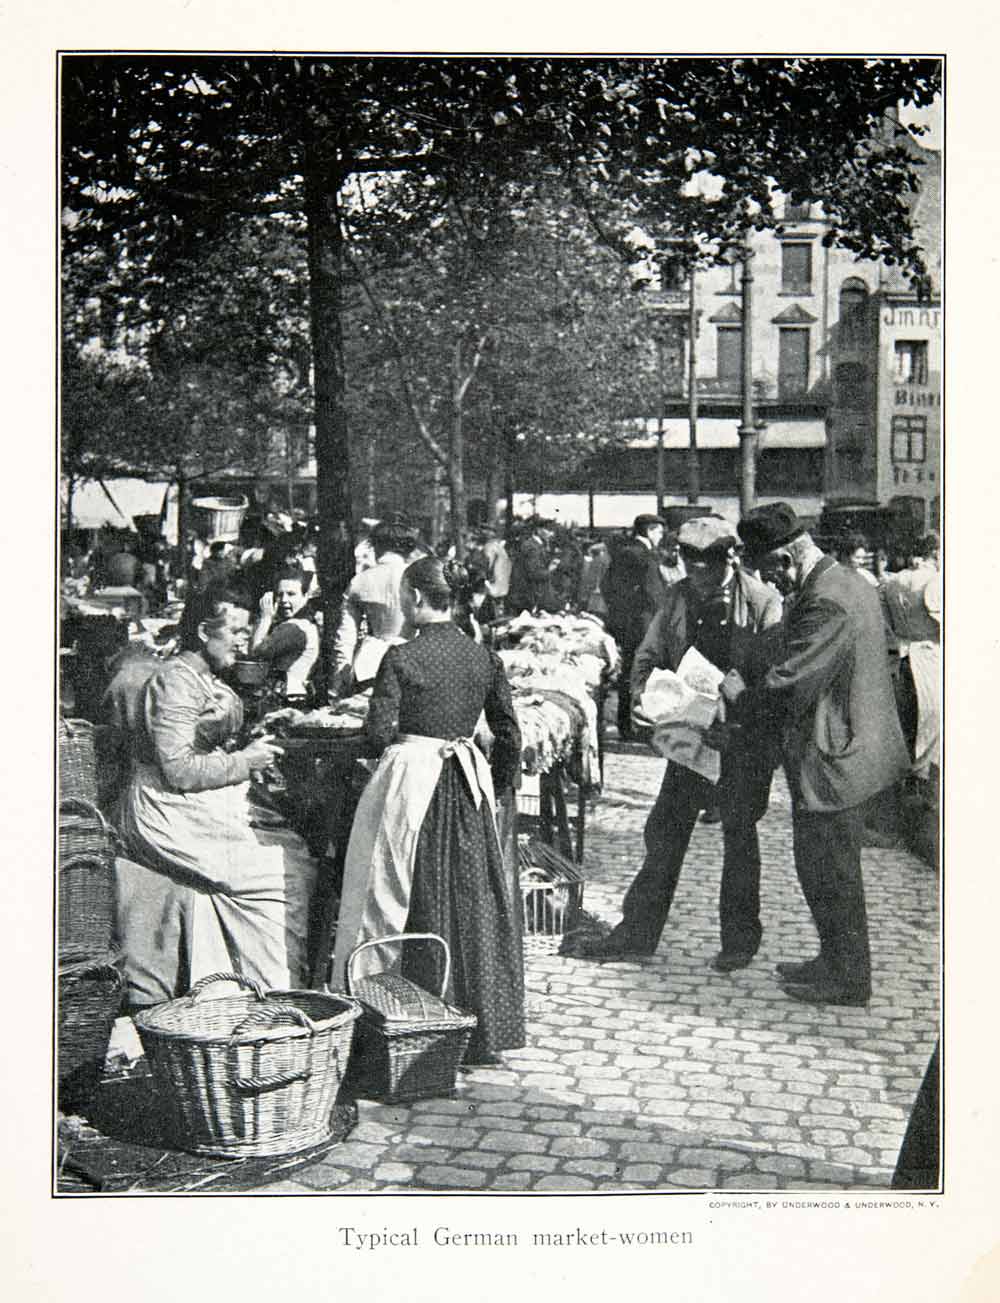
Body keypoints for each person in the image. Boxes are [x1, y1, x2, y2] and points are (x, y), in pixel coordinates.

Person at [331, 556, 524, 1064]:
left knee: (396, 892)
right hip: (464, 784)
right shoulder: (483, 657)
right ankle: (479, 1026)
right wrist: (497, 788)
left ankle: (401, 1021)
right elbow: (509, 733)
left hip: (412, 780)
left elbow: (376, 733)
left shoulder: (401, 658)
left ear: (415, 598)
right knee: (469, 896)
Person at [580, 517, 782, 968]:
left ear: (729, 557)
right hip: (689, 740)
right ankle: (636, 935)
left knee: (740, 841)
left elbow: (773, 679)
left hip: (741, 744)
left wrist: (738, 714)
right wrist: (645, 699)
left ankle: (738, 943)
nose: (698, 576)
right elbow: (649, 656)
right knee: (664, 835)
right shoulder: (677, 597)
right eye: (689, 565)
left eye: (707, 566)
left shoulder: (765, 602)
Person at [729, 502, 910, 1006]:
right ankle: (833, 958)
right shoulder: (842, 580)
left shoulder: (826, 599)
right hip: (846, 744)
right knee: (819, 863)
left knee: (831, 869)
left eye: (770, 574)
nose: (773, 585)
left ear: (787, 558)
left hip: (837, 756)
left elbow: (791, 684)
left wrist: (737, 696)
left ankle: (849, 980)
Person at [114, 582, 317, 1006]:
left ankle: (237, 994)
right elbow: (179, 769)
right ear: (205, 632)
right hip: (166, 809)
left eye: (246, 631)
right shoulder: (175, 681)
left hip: (192, 804)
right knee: (281, 872)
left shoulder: (200, 676)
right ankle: (274, 993)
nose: (245, 641)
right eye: (236, 632)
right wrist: (245, 761)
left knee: (288, 849)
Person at [331, 514, 415, 694]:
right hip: (413, 659)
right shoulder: (418, 576)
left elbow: (345, 637)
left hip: (371, 663)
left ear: (376, 545)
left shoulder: (360, 581)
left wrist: (341, 675)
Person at [601, 514, 667, 740]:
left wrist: (621, 611)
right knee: (645, 674)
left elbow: (606, 586)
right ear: (649, 531)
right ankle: (640, 727)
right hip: (645, 624)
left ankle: (625, 725)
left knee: (628, 673)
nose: (661, 536)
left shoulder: (622, 553)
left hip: (626, 623)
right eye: (659, 531)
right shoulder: (645, 556)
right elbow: (655, 594)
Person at [250, 565, 321, 701]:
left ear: (305, 596)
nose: (283, 600)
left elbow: (256, 653)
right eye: (280, 594)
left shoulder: (294, 627)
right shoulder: (305, 623)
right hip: (295, 692)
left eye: (291, 594)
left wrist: (265, 618)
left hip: (286, 696)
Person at [507, 520, 562, 614]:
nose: (551, 534)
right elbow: (534, 573)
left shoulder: (534, 545)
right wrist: (551, 569)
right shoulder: (533, 547)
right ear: (539, 530)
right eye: (548, 530)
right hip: (526, 596)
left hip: (524, 595)